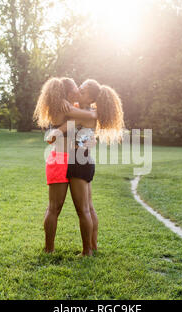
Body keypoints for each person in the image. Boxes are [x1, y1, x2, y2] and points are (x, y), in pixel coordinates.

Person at [45, 79, 124, 254]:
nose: (79, 89)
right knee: (88, 207)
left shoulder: (83, 112)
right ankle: (92, 246)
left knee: (83, 210)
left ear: (90, 97)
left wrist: (57, 129)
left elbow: (67, 125)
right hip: (84, 158)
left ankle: (87, 250)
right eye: (78, 87)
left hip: (78, 160)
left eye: (83, 89)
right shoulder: (83, 110)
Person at [33, 77, 98, 256]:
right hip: (63, 158)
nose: (79, 90)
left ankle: (50, 248)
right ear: (69, 93)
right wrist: (88, 115)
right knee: (60, 208)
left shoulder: (63, 106)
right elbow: (91, 116)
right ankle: (56, 249)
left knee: (54, 207)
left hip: (65, 157)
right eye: (77, 88)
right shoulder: (66, 108)